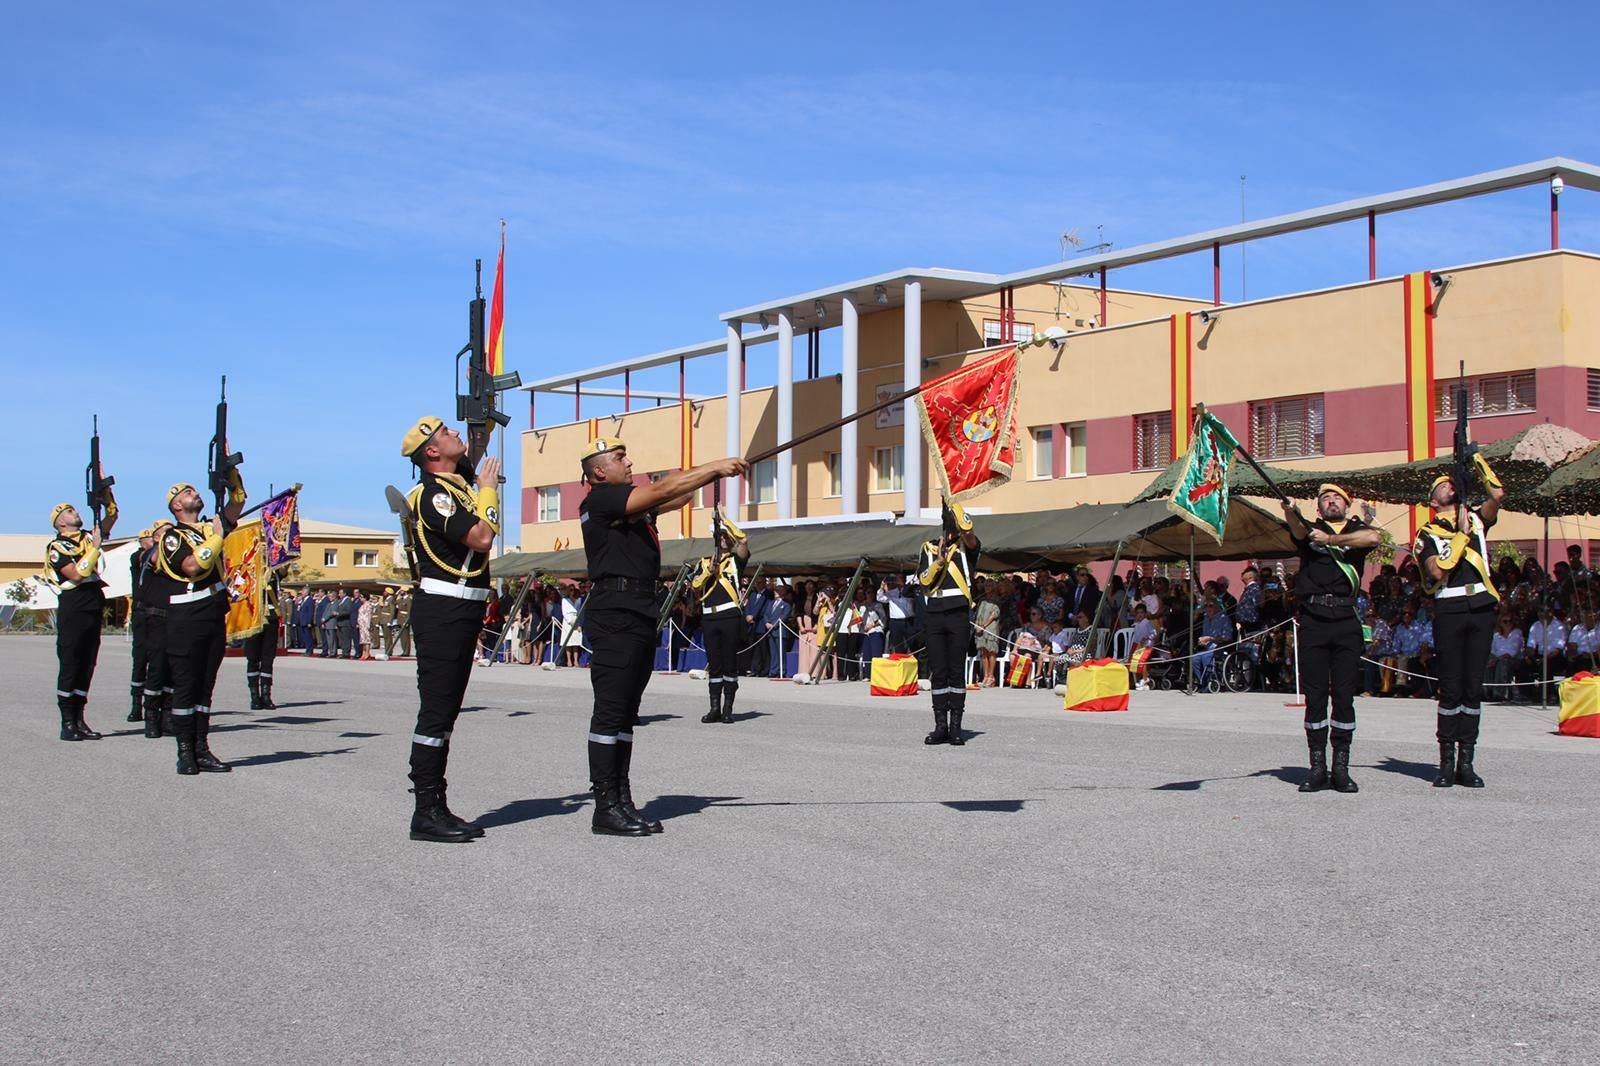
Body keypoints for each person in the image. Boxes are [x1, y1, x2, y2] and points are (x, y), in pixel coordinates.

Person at [577, 435, 746, 836]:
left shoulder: (628, 508)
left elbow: (673, 498)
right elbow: (663, 491)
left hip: (636, 610)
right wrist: (713, 466)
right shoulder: (601, 500)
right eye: (620, 458)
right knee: (611, 712)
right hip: (615, 613)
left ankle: (621, 798)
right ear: (600, 471)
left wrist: (705, 478)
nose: (629, 461)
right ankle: (605, 805)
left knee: (625, 715)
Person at [399, 416, 500, 842]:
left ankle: (436, 805)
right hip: (444, 608)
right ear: (432, 453)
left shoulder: (453, 487)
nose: (455, 433)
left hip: (460, 607)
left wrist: (484, 421)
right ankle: (425, 809)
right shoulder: (434, 495)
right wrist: (489, 489)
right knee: (437, 712)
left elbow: (471, 451)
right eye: (446, 432)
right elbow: (480, 537)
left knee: (447, 713)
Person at [1413, 455, 1505, 789]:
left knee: (1473, 687)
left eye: (1450, 482)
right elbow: (1436, 570)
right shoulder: (1426, 533)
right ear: (1432, 501)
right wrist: (1460, 538)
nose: (1448, 485)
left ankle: (1467, 761)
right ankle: (1446, 761)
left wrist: (1477, 462)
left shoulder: (1477, 519)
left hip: (1480, 604)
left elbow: (1496, 496)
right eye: (1441, 485)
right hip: (1450, 608)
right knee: (1450, 687)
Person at [1281, 484, 1380, 793]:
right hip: (1314, 619)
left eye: (1336, 497)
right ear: (1318, 509)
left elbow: (1374, 537)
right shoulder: (1311, 529)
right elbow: (1297, 531)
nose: (1331, 501)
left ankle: (1341, 767)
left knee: (1344, 695)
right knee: (1315, 696)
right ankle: (1317, 767)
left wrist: (1332, 540)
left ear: (1346, 504)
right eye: (1325, 499)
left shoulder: (1356, 529)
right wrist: (1289, 510)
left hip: (1345, 619)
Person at [153, 482, 245, 774]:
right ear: (176, 505)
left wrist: (233, 479)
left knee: (206, 686)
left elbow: (235, 505)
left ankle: (201, 748)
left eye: (194, 490)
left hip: (212, 612)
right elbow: (192, 566)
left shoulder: (207, 529)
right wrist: (217, 537)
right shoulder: (171, 536)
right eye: (186, 493)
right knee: (186, 685)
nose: (194, 493)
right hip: (186, 616)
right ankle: (184, 751)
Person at [44, 500, 116, 741]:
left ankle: (79, 717)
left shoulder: (87, 537)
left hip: (92, 603)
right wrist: (95, 548)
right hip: (73, 606)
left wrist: (108, 499)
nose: (75, 512)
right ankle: (67, 722)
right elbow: (76, 573)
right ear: (60, 521)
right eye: (69, 511)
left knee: (87, 663)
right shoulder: (57, 546)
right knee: (71, 663)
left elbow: (110, 519)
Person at [920, 501, 981, 746]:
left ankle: (956, 726)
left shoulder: (967, 547)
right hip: (935, 612)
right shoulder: (929, 547)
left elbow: (970, 535)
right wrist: (939, 562)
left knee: (956, 671)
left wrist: (954, 503)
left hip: (957, 612)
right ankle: (940, 726)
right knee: (939, 672)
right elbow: (924, 581)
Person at [691, 510, 749, 723]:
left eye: (727, 537)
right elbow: (696, 585)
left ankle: (727, 708)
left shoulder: (736, 561)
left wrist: (725, 520)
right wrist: (709, 571)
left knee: (729, 663)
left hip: (729, 615)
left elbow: (744, 540)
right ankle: (714, 707)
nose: (724, 539)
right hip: (709, 617)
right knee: (714, 664)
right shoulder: (704, 562)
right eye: (721, 536)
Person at [132, 523, 172, 738]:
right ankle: (150, 716)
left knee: (172, 669)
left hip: (173, 617)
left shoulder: (172, 553)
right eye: (165, 532)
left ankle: (167, 716)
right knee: (155, 668)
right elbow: (159, 559)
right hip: (154, 617)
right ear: (156, 538)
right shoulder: (149, 554)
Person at [127, 525, 157, 724]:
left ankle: (154, 706)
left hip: (159, 613)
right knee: (140, 659)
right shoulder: (138, 556)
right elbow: (146, 556)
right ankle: (136, 704)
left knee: (158, 660)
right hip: (141, 613)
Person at [243, 570, 282, 710]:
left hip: (270, 618)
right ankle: (254, 696)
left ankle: (266, 695)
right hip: (253, 618)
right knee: (252, 658)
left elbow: (284, 567)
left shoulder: (273, 571)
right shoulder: (249, 569)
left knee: (267, 659)